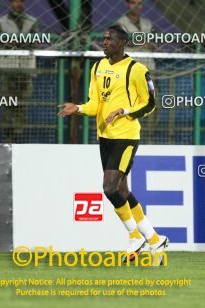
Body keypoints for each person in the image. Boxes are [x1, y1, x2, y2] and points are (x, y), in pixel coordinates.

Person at [58, 25, 168, 266]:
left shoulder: (137, 70)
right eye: (104, 38)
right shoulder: (98, 67)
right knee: (122, 191)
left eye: (109, 39)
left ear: (122, 43)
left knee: (109, 188)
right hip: (105, 136)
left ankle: (134, 237)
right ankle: (155, 239)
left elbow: (150, 104)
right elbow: (95, 103)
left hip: (126, 136)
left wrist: (125, 111)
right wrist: (78, 108)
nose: (104, 42)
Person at [0, 0, 37, 143]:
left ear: (24, 2)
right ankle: (8, 138)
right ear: (10, 2)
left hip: (25, 70)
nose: (18, 4)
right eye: (15, 1)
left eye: (20, 1)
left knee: (22, 108)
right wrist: (21, 43)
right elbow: (0, 42)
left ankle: (18, 139)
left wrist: (13, 43)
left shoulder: (31, 21)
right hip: (8, 69)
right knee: (7, 106)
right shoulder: (2, 21)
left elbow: (34, 43)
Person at [116, 0, 156, 71]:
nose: (136, 6)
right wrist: (143, 42)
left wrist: (151, 44)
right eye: (133, 3)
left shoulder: (148, 23)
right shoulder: (120, 23)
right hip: (129, 66)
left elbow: (155, 41)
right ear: (127, 4)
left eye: (139, 3)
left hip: (148, 66)